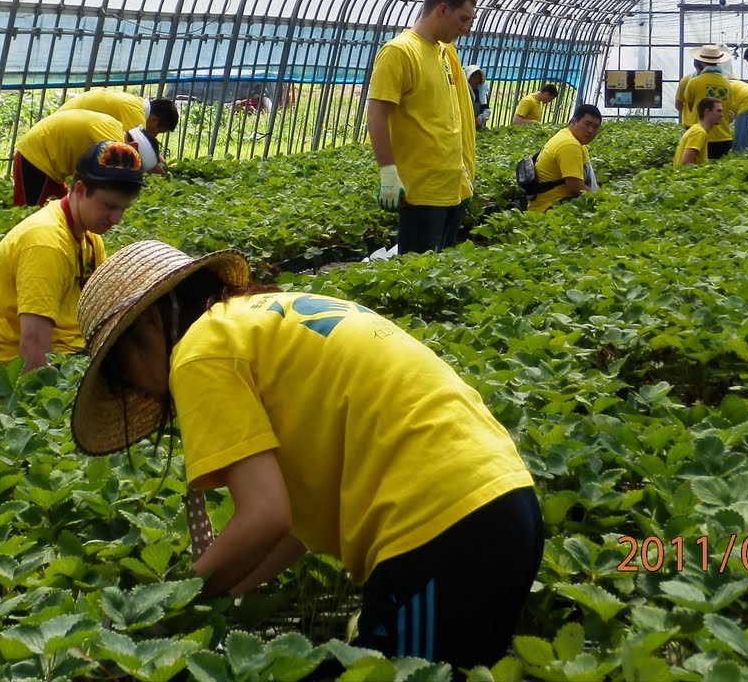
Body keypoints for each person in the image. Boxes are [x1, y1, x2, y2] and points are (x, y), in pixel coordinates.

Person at [71, 239, 541, 671]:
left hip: (438, 528)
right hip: (499, 502)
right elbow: (293, 524)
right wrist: (226, 593)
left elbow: (265, 516)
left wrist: (164, 612)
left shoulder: (198, 352)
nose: (139, 391)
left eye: (123, 372)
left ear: (150, 323)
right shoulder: (261, 318)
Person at [0, 140, 145, 372]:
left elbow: (99, 309)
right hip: (25, 367)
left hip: (72, 351)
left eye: (123, 209)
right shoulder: (46, 244)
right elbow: (33, 347)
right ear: (79, 190)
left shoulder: (89, 236)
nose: (116, 218)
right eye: (108, 206)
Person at [365, 0, 477, 253]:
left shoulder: (443, 51)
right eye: (463, 20)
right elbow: (377, 114)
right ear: (441, 10)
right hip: (422, 193)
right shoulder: (400, 51)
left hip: (453, 188)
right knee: (416, 278)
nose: (465, 29)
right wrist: (388, 173)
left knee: (442, 275)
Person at [12, 107, 162, 206]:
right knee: (29, 212)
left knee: (63, 209)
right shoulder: (112, 145)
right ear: (134, 146)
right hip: (36, 158)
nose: (127, 167)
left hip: (50, 162)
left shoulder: (115, 127)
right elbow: (105, 182)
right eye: (132, 162)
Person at [60, 90, 179, 174]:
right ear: (154, 120)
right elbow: (140, 153)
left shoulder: (136, 106)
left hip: (68, 125)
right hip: (65, 132)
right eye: (158, 131)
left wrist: (164, 164)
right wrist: (165, 179)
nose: (154, 135)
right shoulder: (134, 113)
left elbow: (145, 149)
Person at [528, 104, 602, 214]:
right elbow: (576, 187)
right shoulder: (569, 145)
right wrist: (602, 204)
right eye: (587, 124)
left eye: (595, 127)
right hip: (549, 208)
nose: (591, 131)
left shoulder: (571, 139)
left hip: (553, 204)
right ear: (573, 122)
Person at [676, 46, 736, 159]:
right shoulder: (727, 84)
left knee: (695, 173)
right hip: (723, 138)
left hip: (700, 136)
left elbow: (689, 106)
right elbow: (729, 109)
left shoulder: (693, 82)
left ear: (700, 62)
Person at [676, 97, 723, 166]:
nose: (722, 115)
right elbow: (685, 164)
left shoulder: (696, 129)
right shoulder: (699, 132)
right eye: (719, 111)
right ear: (707, 112)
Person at [465, 64, 490, 131]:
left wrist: (480, 119)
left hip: (477, 128)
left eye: (478, 78)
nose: (476, 80)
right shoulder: (463, 92)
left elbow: (486, 110)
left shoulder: (482, 93)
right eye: (473, 78)